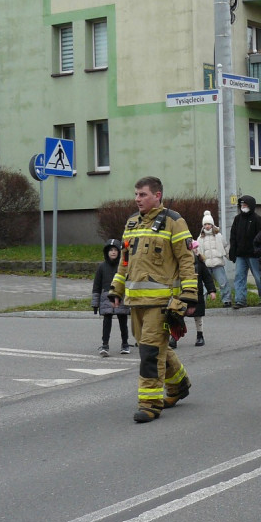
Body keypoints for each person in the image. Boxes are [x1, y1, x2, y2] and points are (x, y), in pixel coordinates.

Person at [108, 176, 196, 423]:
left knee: (149, 353)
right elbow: (125, 261)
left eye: (143, 194)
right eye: (136, 194)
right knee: (156, 349)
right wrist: (116, 288)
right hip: (136, 302)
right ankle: (179, 385)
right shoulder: (132, 222)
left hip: (161, 303)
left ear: (157, 195)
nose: (137, 199)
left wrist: (189, 295)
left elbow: (187, 260)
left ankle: (149, 404)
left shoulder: (174, 221)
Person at [91, 239, 131, 356]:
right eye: (110, 250)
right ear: (106, 252)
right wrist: (95, 303)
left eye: (115, 250)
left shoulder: (123, 267)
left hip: (121, 297)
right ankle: (105, 345)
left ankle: (125, 344)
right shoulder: (102, 267)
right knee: (106, 322)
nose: (113, 252)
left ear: (119, 252)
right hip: (106, 298)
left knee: (123, 322)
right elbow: (96, 285)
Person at [228, 194, 261, 309]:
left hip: (253, 255)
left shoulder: (257, 219)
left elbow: (260, 237)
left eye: (245, 204)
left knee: (258, 277)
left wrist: (259, 251)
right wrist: (232, 251)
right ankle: (240, 300)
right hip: (240, 254)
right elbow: (233, 236)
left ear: (251, 205)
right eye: (242, 204)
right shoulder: (237, 219)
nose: (243, 206)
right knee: (239, 277)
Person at [197, 210, 231, 305]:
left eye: (209, 224)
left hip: (218, 263)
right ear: (203, 226)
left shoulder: (218, 236)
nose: (207, 226)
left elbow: (225, 247)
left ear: (212, 225)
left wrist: (229, 256)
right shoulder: (200, 238)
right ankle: (202, 302)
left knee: (223, 282)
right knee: (204, 284)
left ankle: (227, 300)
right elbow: (198, 251)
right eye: (205, 224)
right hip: (206, 264)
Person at [189, 241, 218, 346]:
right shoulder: (182, 263)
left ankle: (200, 335)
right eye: (193, 248)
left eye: (197, 248)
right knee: (178, 315)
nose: (196, 250)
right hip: (183, 293)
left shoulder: (200, 263)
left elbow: (207, 278)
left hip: (197, 293)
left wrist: (211, 291)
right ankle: (174, 336)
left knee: (198, 315)